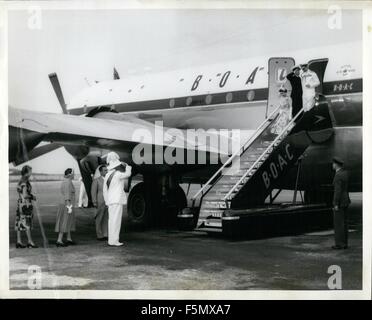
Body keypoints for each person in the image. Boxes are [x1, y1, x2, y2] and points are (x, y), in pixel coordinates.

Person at [103, 152, 132, 247]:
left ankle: (111, 240)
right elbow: (128, 174)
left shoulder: (107, 175)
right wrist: (127, 166)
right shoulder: (118, 174)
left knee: (111, 221)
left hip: (111, 201)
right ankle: (115, 241)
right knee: (116, 221)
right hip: (117, 200)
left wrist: (107, 201)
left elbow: (105, 190)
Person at [15, 165, 38, 248]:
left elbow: (21, 193)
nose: (31, 173)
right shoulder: (25, 182)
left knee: (19, 222)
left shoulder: (20, 181)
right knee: (27, 223)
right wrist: (32, 197)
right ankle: (30, 242)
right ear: (27, 172)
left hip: (20, 203)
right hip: (26, 204)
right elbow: (25, 195)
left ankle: (19, 241)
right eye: (30, 171)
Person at [332, 157, 351, 250]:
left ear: (336, 165)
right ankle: (344, 243)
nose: (332, 165)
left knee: (338, 223)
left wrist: (335, 203)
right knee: (344, 223)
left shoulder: (338, 175)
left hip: (340, 202)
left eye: (333, 164)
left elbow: (337, 191)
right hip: (346, 200)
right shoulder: (345, 173)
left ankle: (339, 244)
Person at [55, 168, 77, 247]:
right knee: (64, 221)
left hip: (66, 204)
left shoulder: (67, 181)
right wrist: (69, 207)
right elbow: (67, 195)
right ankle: (59, 240)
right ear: (69, 174)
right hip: (67, 204)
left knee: (68, 222)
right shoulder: (67, 182)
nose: (74, 175)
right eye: (73, 173)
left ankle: (69, 238)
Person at [91, 165, 109, 241]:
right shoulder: (97, 180)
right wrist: (94, 202)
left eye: (107, 170)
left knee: (106, 218)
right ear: (101, 172)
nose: (106, 171)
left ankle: (105, 234)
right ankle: (99, 235)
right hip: (100, 201)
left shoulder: (109, 180)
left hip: (108, 202)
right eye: (105, 170)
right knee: (99, 219)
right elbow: (93, 192)